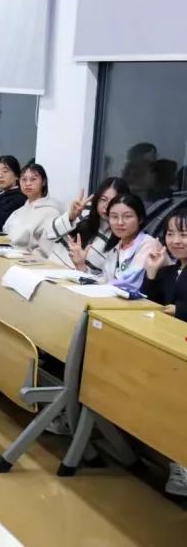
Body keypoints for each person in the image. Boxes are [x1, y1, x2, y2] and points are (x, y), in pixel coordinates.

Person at [141, 208, 187, 497]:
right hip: (167, 346)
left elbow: (171, 309)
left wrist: (178, 310)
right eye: (171, 234)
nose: (176, 240)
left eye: (184, 234)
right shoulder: (170, 270)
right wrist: (151, 273)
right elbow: (150, 303)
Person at [49, 177, 129, 273]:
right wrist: (71, 216)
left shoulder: (119, 237)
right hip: (48, 270)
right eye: (103, 199)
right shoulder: (83, 211)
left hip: (74, 281)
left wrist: (81, 265)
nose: (106, 206)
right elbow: (49, 235)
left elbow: (103, 278)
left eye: (113, 201)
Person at [88, 194, 159, 293]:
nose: (120, 222)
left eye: (127, 216)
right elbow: (105, 279)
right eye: (114, 217)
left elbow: (130, 284)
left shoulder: (149, 244)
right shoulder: (116, 248)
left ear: (140, 219)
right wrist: (81, 266)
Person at [3, 163, 62, 258]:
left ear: (43, 182)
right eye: (24, 179)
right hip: (8, 254)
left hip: (29, 261)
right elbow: (5, 234)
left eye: (33, 179)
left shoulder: (51, 212)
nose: (27, 184)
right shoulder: (19, 211)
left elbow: (46, 250)